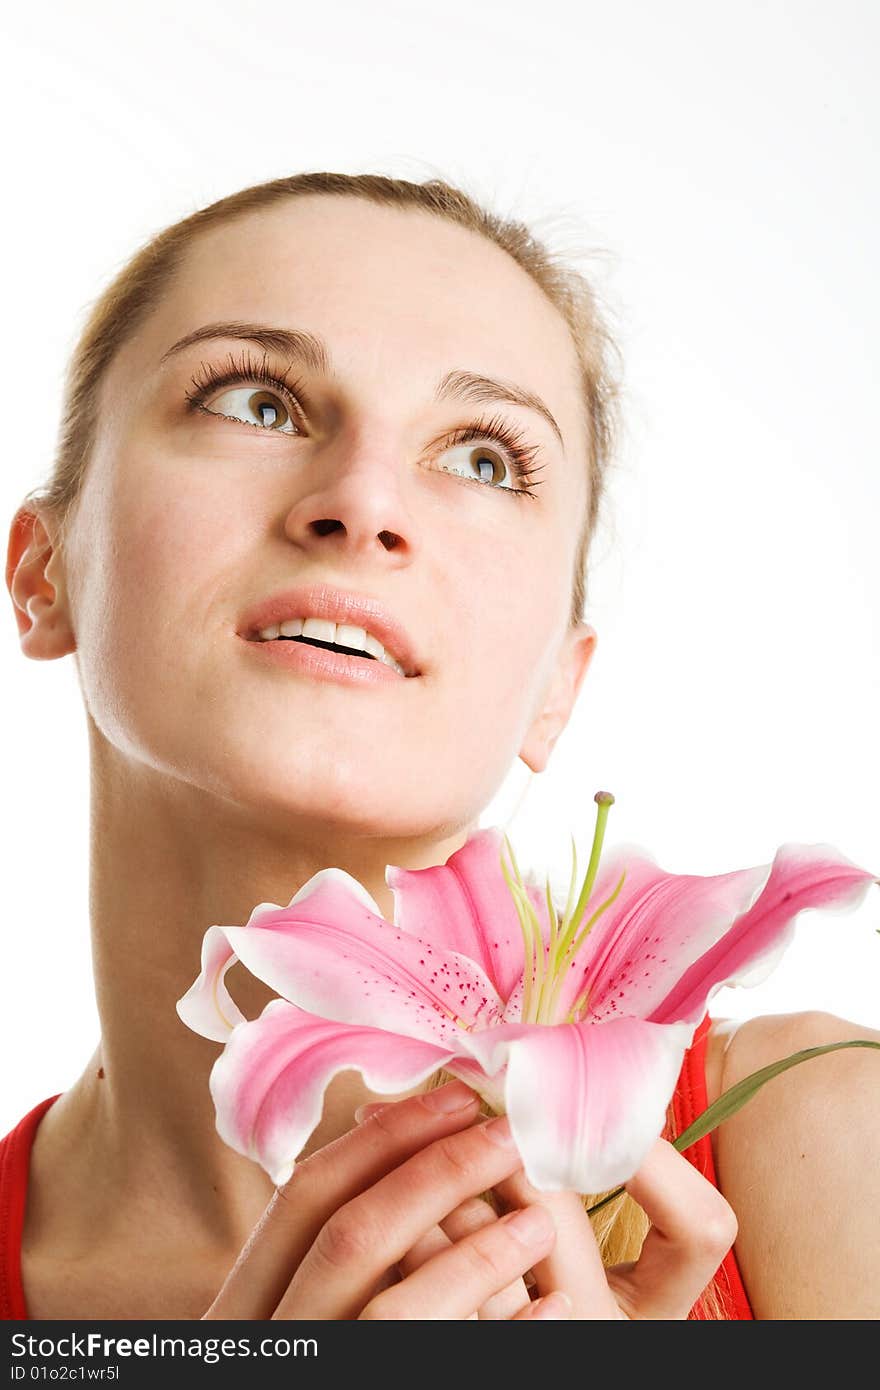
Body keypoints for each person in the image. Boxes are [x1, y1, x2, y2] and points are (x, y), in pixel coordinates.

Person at [3, 172, 878, 1322]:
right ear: (42, 571)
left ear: (555, 690)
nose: (362, 503)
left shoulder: (822, 1131)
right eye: (255, 402)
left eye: (482, 458)